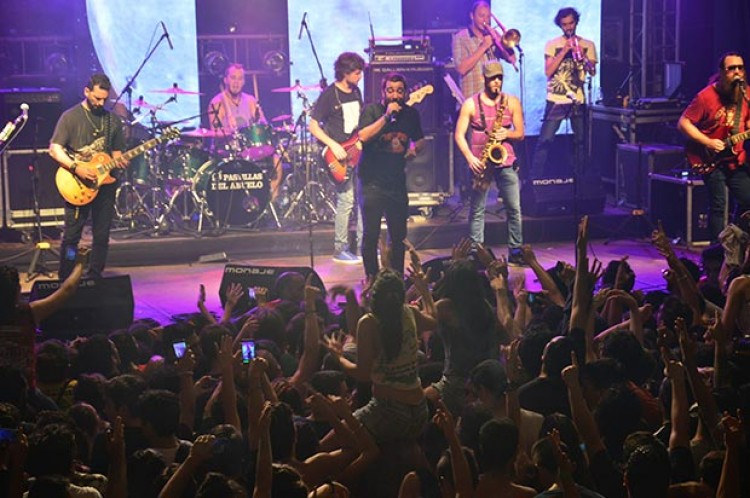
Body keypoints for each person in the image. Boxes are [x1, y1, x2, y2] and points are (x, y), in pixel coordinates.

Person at [49, 73, 127, 279]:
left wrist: (120, 161)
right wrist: (76, 168)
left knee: (102, 235)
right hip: (78, 183)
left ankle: (95, 275)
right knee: (71, 237)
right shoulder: (70, 117)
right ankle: (66, 275)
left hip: (105, 185)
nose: (101, 103)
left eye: (104, 99)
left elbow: (116, 154)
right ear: (86, 91)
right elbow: (54, 150)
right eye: (97, 98)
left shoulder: (113, 121)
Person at [454, 60, 526, 265]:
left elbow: (520, 133)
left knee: (514, 208)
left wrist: (507, 133)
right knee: (477, 209)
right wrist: (470, 158)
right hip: (481, 161)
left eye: (499, 78)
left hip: (505, 159)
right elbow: (459, 135)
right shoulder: (470, 104)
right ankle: (476, 251)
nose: (497, 82)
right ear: (484, 79)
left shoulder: (511, 102)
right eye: (493, 78)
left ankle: (516, 250)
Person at [357, 72, 425, 278]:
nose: (395, 95)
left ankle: (395, 279)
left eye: (399, 91)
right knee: (371, 235)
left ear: (405, 93)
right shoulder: (372, 111)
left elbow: (420, 139)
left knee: (398, 237)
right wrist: (386, 117)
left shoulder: (411, 114)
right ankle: (372, 279)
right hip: (371, 183)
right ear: (383, 92)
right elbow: (363, 136)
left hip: (396, 183)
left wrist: (414, 149)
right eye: (390, 91)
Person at [677, 51, 750, 242]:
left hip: (735, 158)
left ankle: (735, 241)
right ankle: (717, 252)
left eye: (740, 68)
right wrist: (708, 142)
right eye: (731, 68)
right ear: (722, 72)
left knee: (747, 200)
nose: (737, 72)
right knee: (718, 205)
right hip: (709, 158)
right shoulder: (706, 97)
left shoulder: (746, 95)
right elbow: (683, 123)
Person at [309, 52, 365, 264]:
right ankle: (340, 249)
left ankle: (363, 246)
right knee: (346, 200)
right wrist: (332, 144)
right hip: (338, 156)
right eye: (356, 72)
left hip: (357, 152)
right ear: (345, 72)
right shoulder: (329, 95)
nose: (360, 76)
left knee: (362, 200)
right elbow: (313, 126)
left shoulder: (356, 92)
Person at [529, 7, 597, 180]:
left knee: (580, 141)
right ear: (560, 25)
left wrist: (584, 57)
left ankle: (580, 180)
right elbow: (548, 71)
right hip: (555, 99)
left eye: (571, 23)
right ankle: (534, 181)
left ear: (576, 22)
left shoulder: (588, 44)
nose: (568, 27)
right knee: (545, 140)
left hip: (577, 99)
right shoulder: (552, 44)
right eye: (565, 24)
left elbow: (592, 71)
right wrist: (565, 50)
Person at [207, 63, 282, 201]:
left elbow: (263, 125)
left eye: (240, 78)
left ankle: (268, 202)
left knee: (276, 160)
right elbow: (214, 132)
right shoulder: (217, 102)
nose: (236, 82)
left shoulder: (251, 101)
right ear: (226, 79)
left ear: (243, 82)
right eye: (233, 78)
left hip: (249, 149)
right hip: (227, 152)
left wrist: (264, 128)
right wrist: (231, 132)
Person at [452, 0, 518, 99]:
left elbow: (512, 59)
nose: (485, 20)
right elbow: (461, 68)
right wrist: (484, 46)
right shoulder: (460, 37)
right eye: (481, 16)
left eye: (488, 17)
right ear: (472, 16)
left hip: (492, 100)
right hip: (472, 100)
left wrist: (503, 43)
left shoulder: (493, 35)